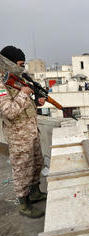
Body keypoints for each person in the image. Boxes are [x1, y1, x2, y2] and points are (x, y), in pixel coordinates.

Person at [0, 45, 47, 218]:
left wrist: (37, 103)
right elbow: (9, 111)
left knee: (36, 164)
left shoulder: (16, 78)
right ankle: (24, 204)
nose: (22, 68)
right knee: (22, 170)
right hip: (18, 136)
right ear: (8, 62)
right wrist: (24, 94)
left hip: (31, 132)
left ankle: (34, 193)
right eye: (20, 64)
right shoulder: (1, 83)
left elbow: (25, 106)